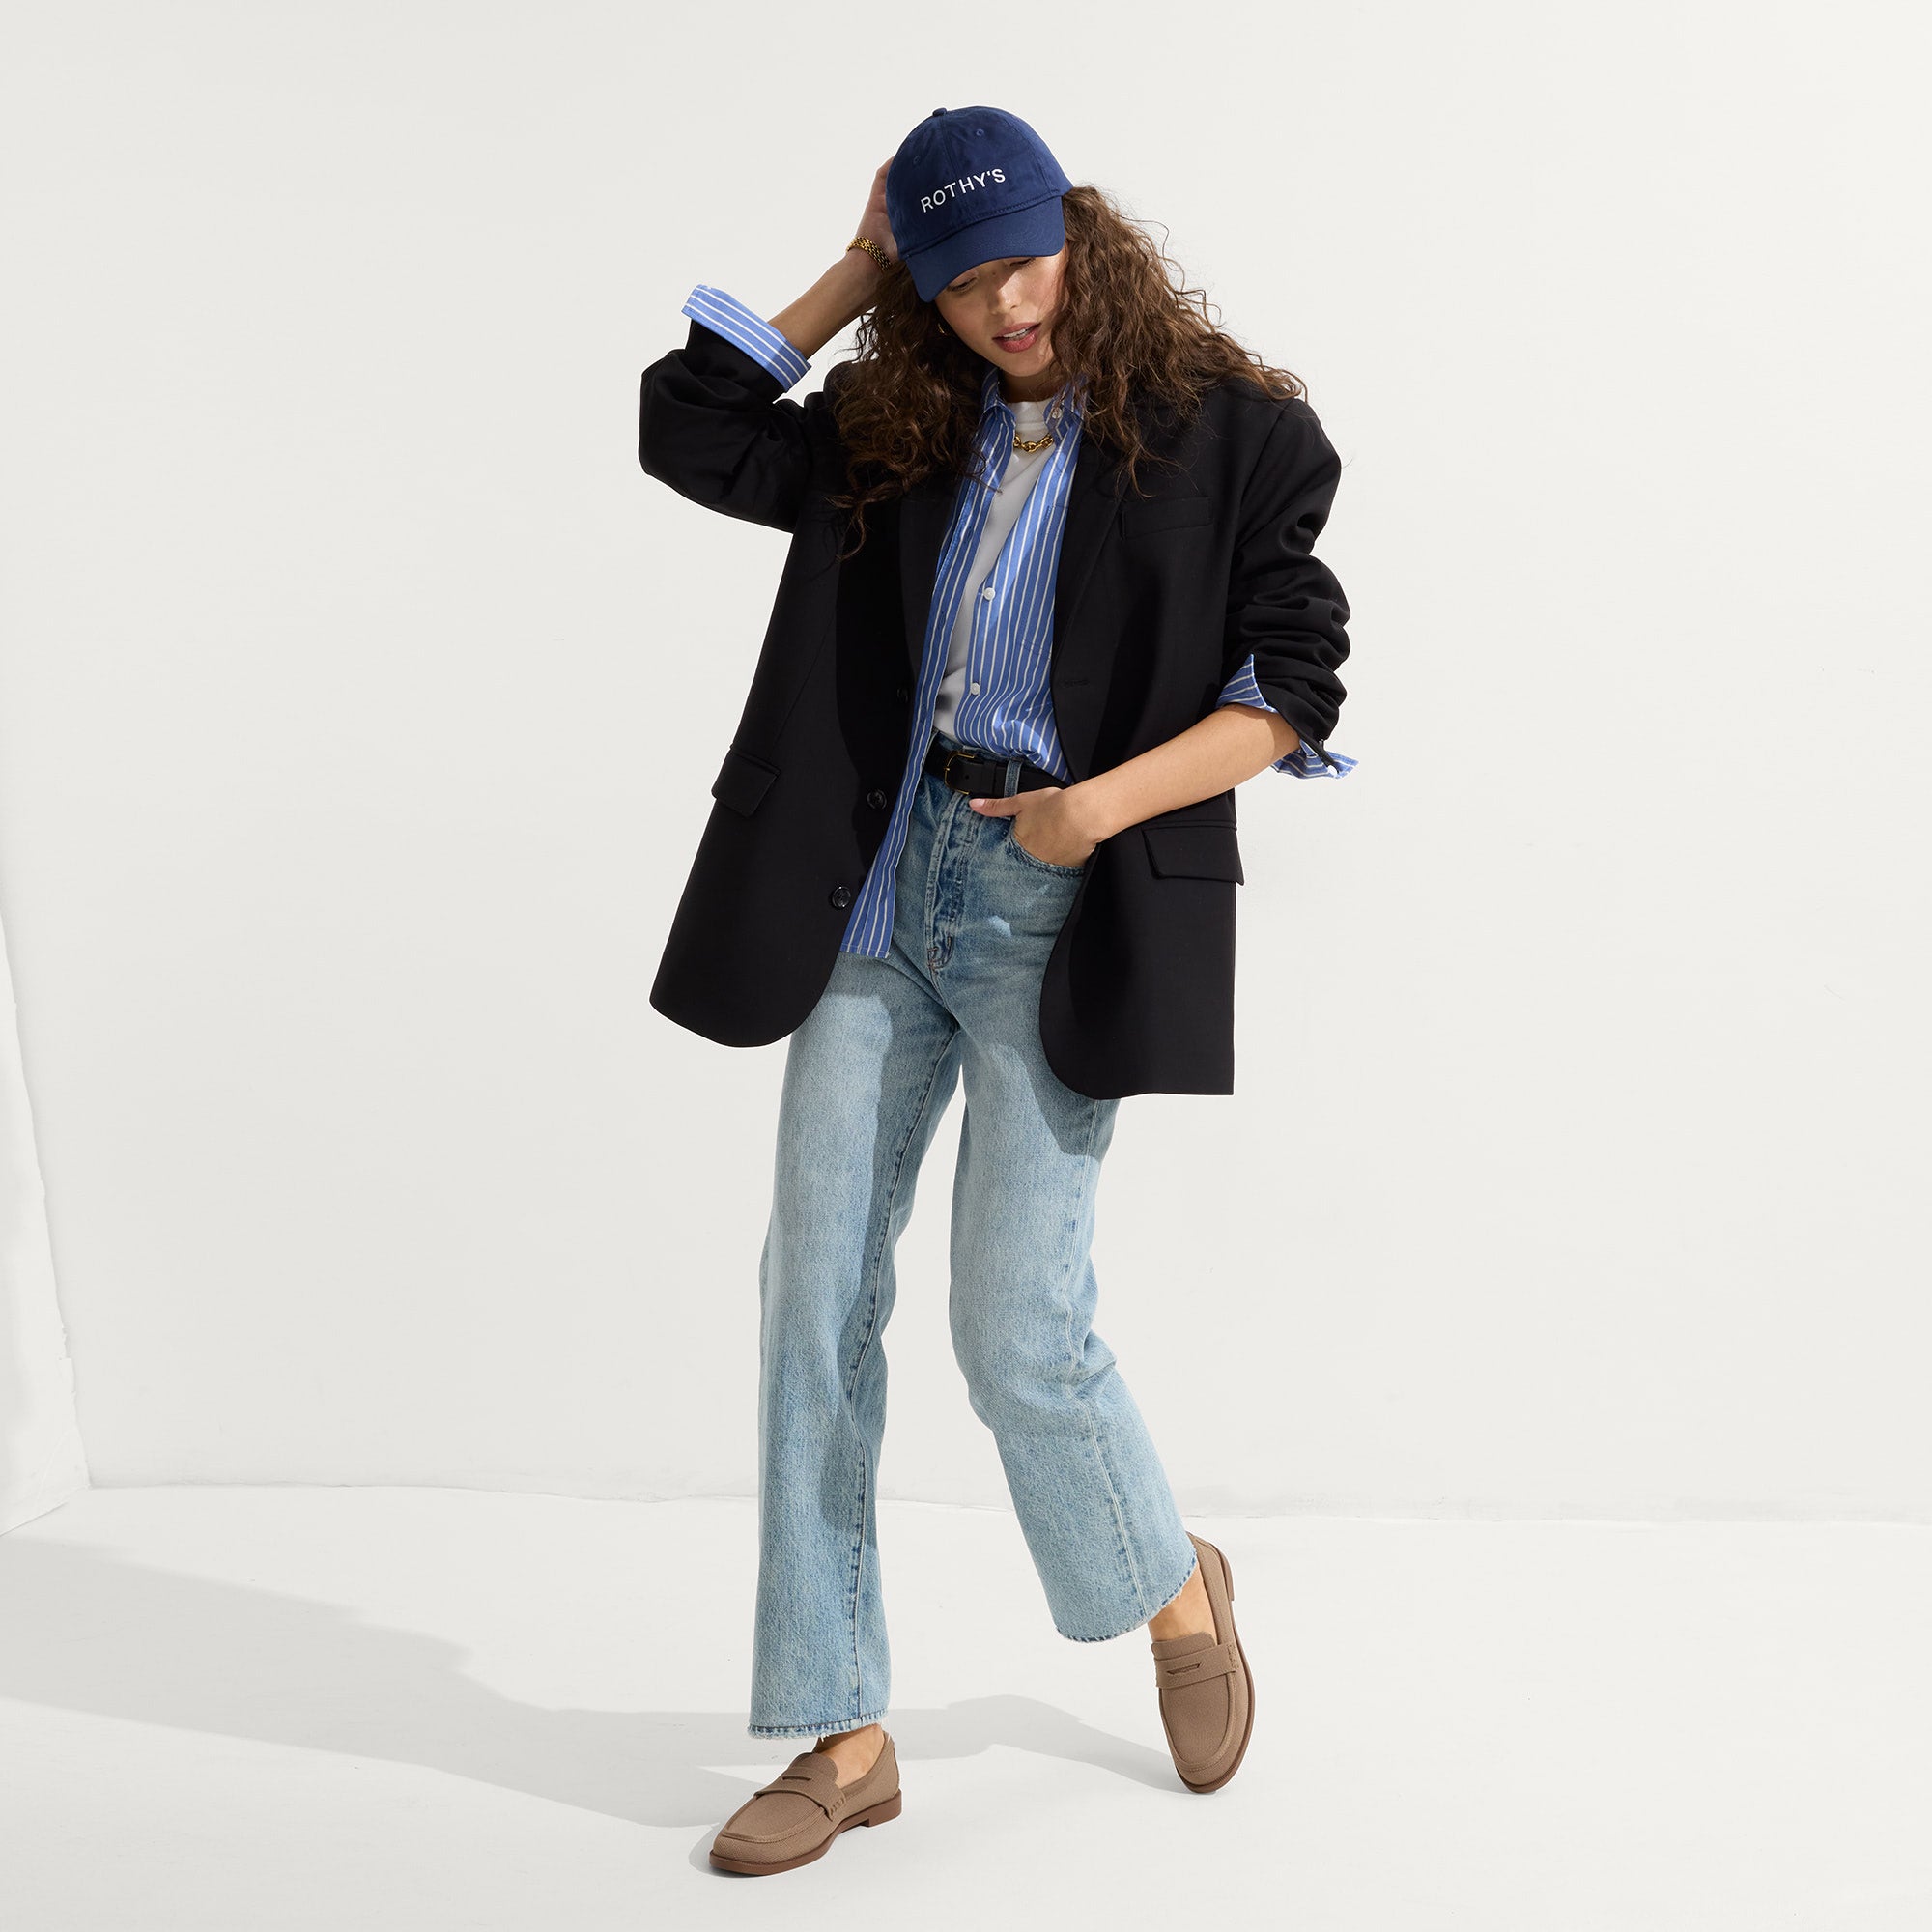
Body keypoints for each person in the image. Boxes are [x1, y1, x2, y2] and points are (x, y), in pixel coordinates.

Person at [636, 104, 1356, 1877]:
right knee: (813, 1297)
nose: (1006, 309)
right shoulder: (897, 421)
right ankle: (841, 1730)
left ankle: (1173, 1585)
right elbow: (690, 427)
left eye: (1025, 264)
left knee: (1015, 1329)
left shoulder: (1236, 434)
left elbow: (1292, 690)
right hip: (878, 893)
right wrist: (852, 274)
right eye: (959, 286)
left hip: (1058, 898)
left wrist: (1091, 811)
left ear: (1080, 232)